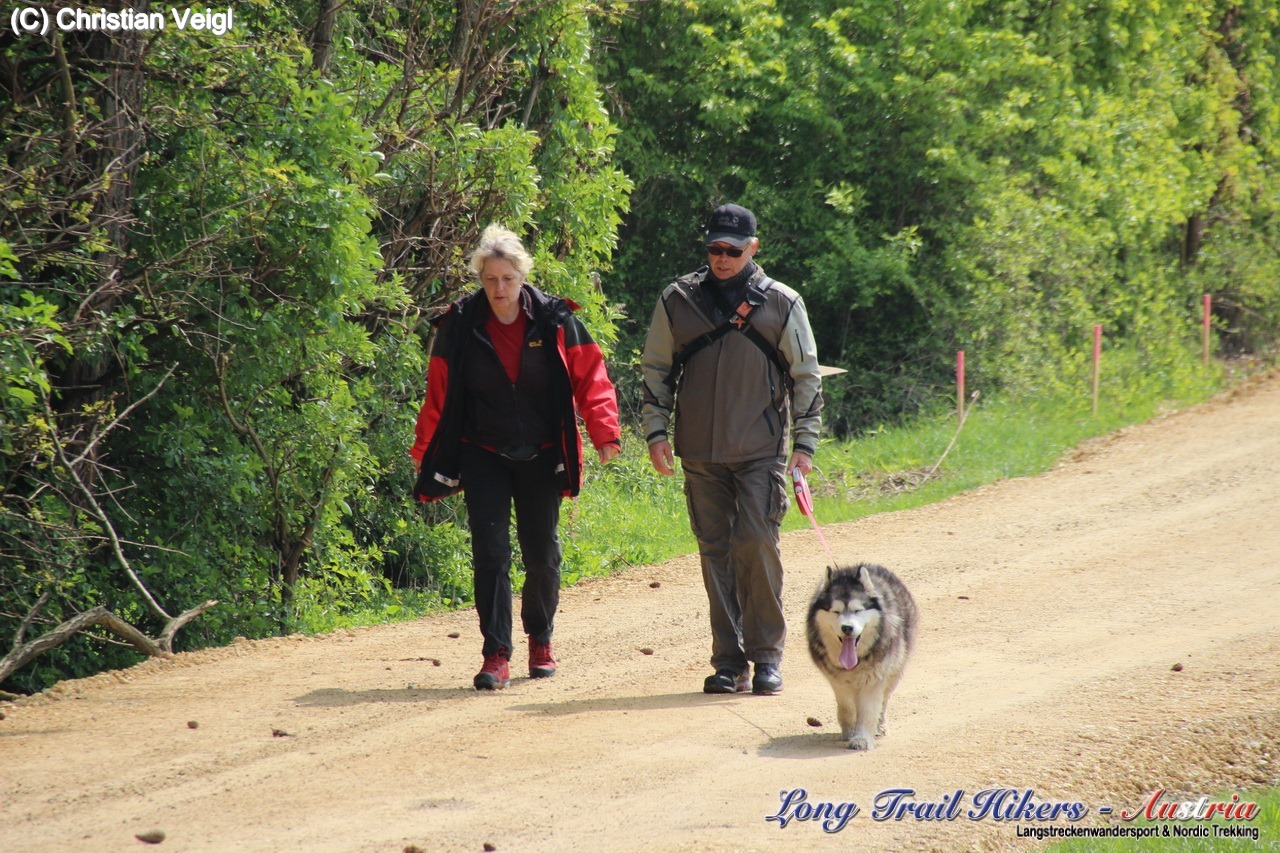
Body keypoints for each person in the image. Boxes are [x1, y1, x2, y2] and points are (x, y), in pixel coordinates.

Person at [412, 224, 621, 690]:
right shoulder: (459, 324)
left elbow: (592, 376)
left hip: (542, 452)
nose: (499, 288)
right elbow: (438, 395)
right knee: (491, 554)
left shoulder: (554, 318)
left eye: (507, 278)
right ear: (480, 280)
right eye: (490, 279)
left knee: (542, 554)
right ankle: (496, 654)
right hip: (482, 452)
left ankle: (540, 640)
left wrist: (605, 432)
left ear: (523, 277)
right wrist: (424, 450)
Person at [641, 203, 823, 695]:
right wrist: (656, 432)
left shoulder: (783, 302)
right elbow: (656, 369)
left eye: (733, 250)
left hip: (761, 449)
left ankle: (766, 658)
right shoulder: (677, 299)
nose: (722, 258)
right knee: (715, 551)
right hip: (700, 452)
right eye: (715, 249)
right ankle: (728, 662)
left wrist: (805, 443)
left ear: (753, 248)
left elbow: (806, 376)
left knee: (756, 544)